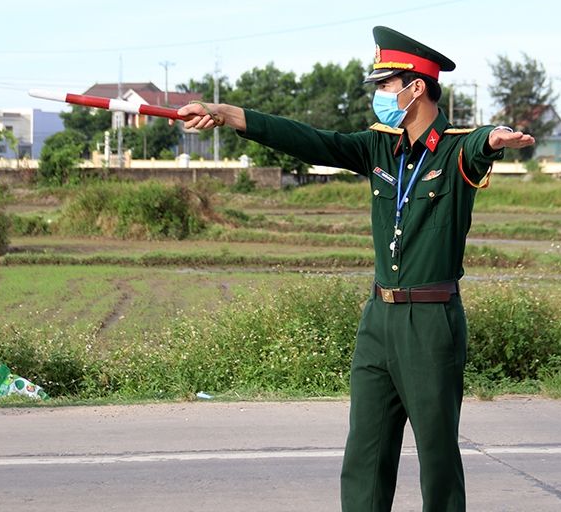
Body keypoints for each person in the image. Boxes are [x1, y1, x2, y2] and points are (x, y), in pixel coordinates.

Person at [179, 26, 534, 511]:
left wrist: (492, 140)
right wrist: (227, 115)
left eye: (386, 85)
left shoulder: (454, 149)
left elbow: (478, 145)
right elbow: (311, 141)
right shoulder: (378, 147)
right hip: (378, 319)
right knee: (365, 454)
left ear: (417, 87)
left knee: (436, 457)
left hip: (431, 323)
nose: (380, 96)